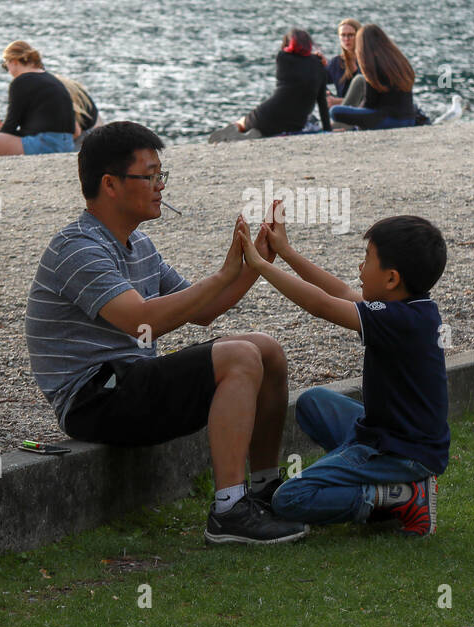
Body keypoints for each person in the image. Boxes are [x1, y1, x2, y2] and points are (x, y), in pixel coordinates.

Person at [26, 122, 307, 544]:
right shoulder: (78, 247)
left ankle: (264, 489)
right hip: (94, 397)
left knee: (265, 349)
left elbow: (205, 310)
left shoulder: (140, 246)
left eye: (162, 175)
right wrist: (225, 273)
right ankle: (229, 511)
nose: (161, 186)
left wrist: (258, 262)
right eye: (151, 175)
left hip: (130, 384)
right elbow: (144, 321)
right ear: (111, 184)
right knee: (239, 356)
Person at [235, 207, 448, 536]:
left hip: (398, 450)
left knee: (289, 499)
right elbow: (340, 294)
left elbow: (321, 304)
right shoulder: (410, 308)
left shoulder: (400, 320)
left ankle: (400, 498)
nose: (360, 267)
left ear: (392, 279)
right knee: (313, 402)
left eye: (367, 258)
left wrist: (261, 266)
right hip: (391, 435)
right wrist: (287, 252)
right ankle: (378, 479)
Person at [208, 28, 331, 142]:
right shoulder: (319, 65)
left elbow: (291, 56)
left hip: (269, 115)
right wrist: (327, 130)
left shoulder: (283, 58)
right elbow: (322, 103)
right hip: (296, 123)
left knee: (243, 122)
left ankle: (236, 130)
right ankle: (251, 134)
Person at [0, 41, 76, 156]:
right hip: (66, 144)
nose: (8, 71)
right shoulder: (51, 79)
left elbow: (10, 126)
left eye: (6, 66)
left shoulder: (21, 81)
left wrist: (1, 133)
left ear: (14, 61)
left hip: (43, 144)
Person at [328, 23, 417, 130]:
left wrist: (355, 113)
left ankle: (341, 127)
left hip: (388, 119)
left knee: (335, 112)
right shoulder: (398, 60)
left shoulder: (372, 65)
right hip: (409, 118)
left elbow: (369, 103)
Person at [55, 74, 101, 149]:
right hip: (91, 126)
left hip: (83, 135)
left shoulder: (56, 93)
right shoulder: (61, 83)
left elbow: (76, 132)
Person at [324, 18, 362, 106]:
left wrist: (338, 101)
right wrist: (328, 95)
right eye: (343, 35)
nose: (346, 39)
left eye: (350, 35)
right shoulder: (336, 63)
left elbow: (371, 98)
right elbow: (317, 80)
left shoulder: (369, 61)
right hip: (343, 113)